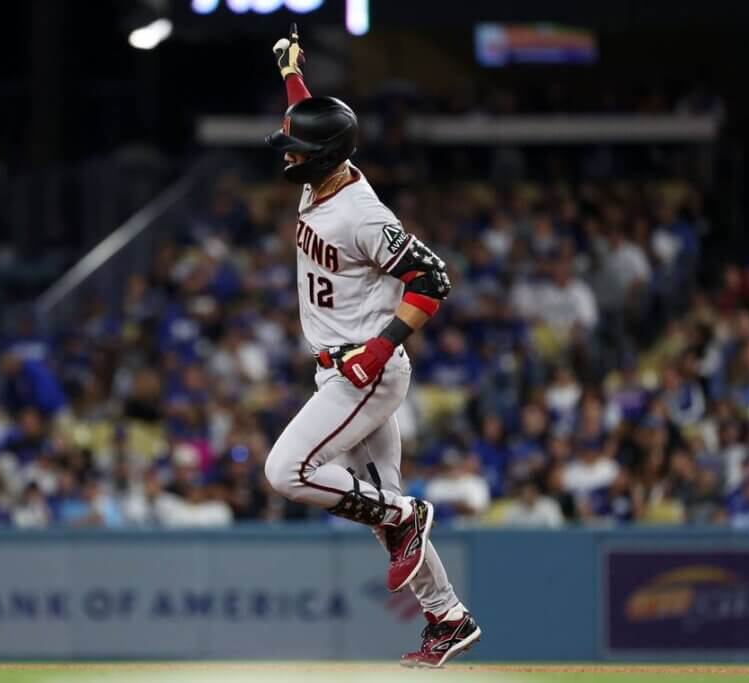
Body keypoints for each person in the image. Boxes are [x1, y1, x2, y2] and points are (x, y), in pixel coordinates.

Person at [261, 25, 479, 668]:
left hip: (364, 368)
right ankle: (448, 617)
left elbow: (433, 279)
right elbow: (315, 125)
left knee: (287, 472)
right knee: (386, 513)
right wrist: (291, 75)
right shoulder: (321, 177)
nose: (288, 155)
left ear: (323, 158)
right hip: (343, 367)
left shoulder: (362, 213)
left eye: (297, 149)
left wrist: (380, 351)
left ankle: (405, 513)